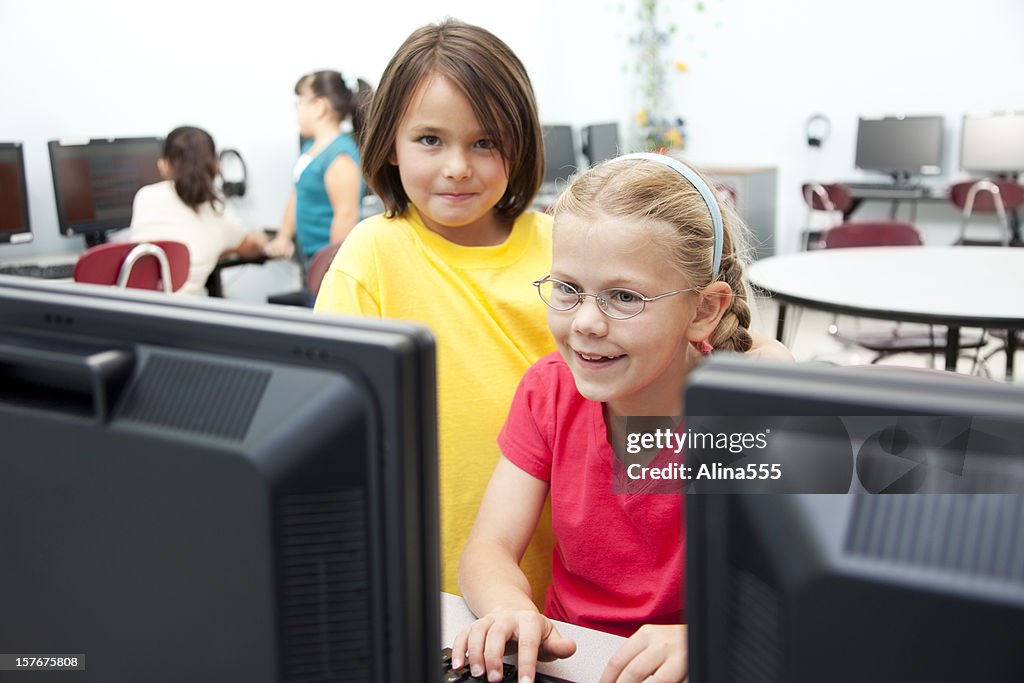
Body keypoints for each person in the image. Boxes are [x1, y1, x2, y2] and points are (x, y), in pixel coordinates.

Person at [314, 19, 792, 605]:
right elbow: (328, 416)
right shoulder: (374, 255)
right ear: (389, 141)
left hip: (561, 566)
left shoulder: (571, 237)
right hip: (464, 573)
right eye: (430, 139)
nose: (458, 167)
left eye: (484, 141)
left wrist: (775, 376)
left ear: (520, 142)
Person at [453, 153, 755, 683]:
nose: (587, 322)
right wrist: (508, 607)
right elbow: (489, 548)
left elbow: (796, 589)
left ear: (704, 310)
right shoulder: (547, 390)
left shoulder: (743, 415)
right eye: (568, 289)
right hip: (571, 663)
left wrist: (708, 631)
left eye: (623, 297)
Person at [125, 126, 265, 296]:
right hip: (186, 315)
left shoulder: (145, 197)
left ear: (164, 164)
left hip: (139, 310)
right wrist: (259, 238)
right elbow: (249, 247)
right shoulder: (217, 212)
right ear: (215, 166)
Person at [264, 70, 371, 262]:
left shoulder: (340, 155)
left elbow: (346, 214)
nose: (297, 110)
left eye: (301, 102)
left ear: (319, 107)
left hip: (328, 262)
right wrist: (284, 236)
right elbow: (296, 192)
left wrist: (332, 266)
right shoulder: (310, 149)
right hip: (311, 258)